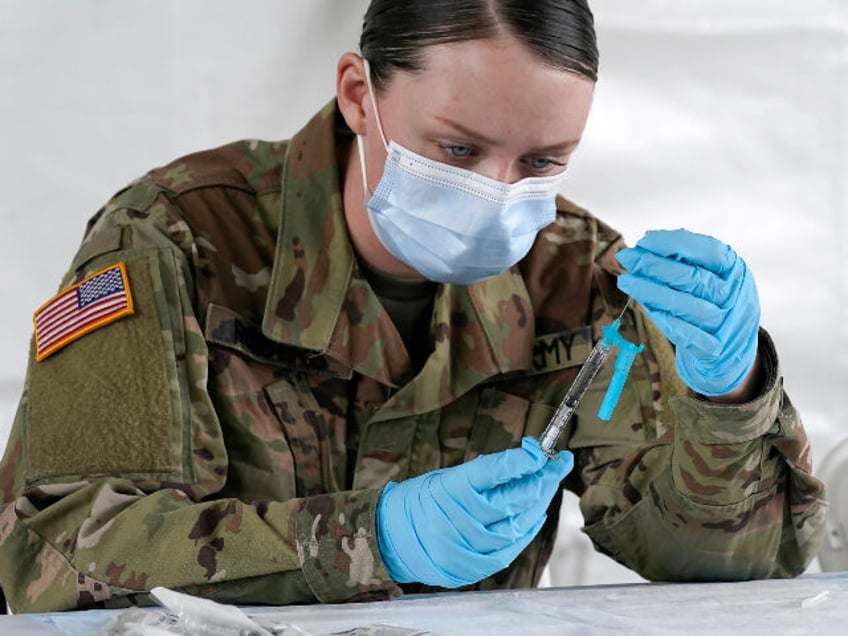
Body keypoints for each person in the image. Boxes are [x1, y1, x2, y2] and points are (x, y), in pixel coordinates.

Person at [0, 0, 827, 614]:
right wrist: (372, 537)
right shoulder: (175, 239)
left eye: (542, 160)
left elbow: (729, 573)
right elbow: (56, 553)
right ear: (360, 94)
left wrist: (726, 397)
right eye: (458, 149)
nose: (499, 193)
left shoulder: (578, 280)